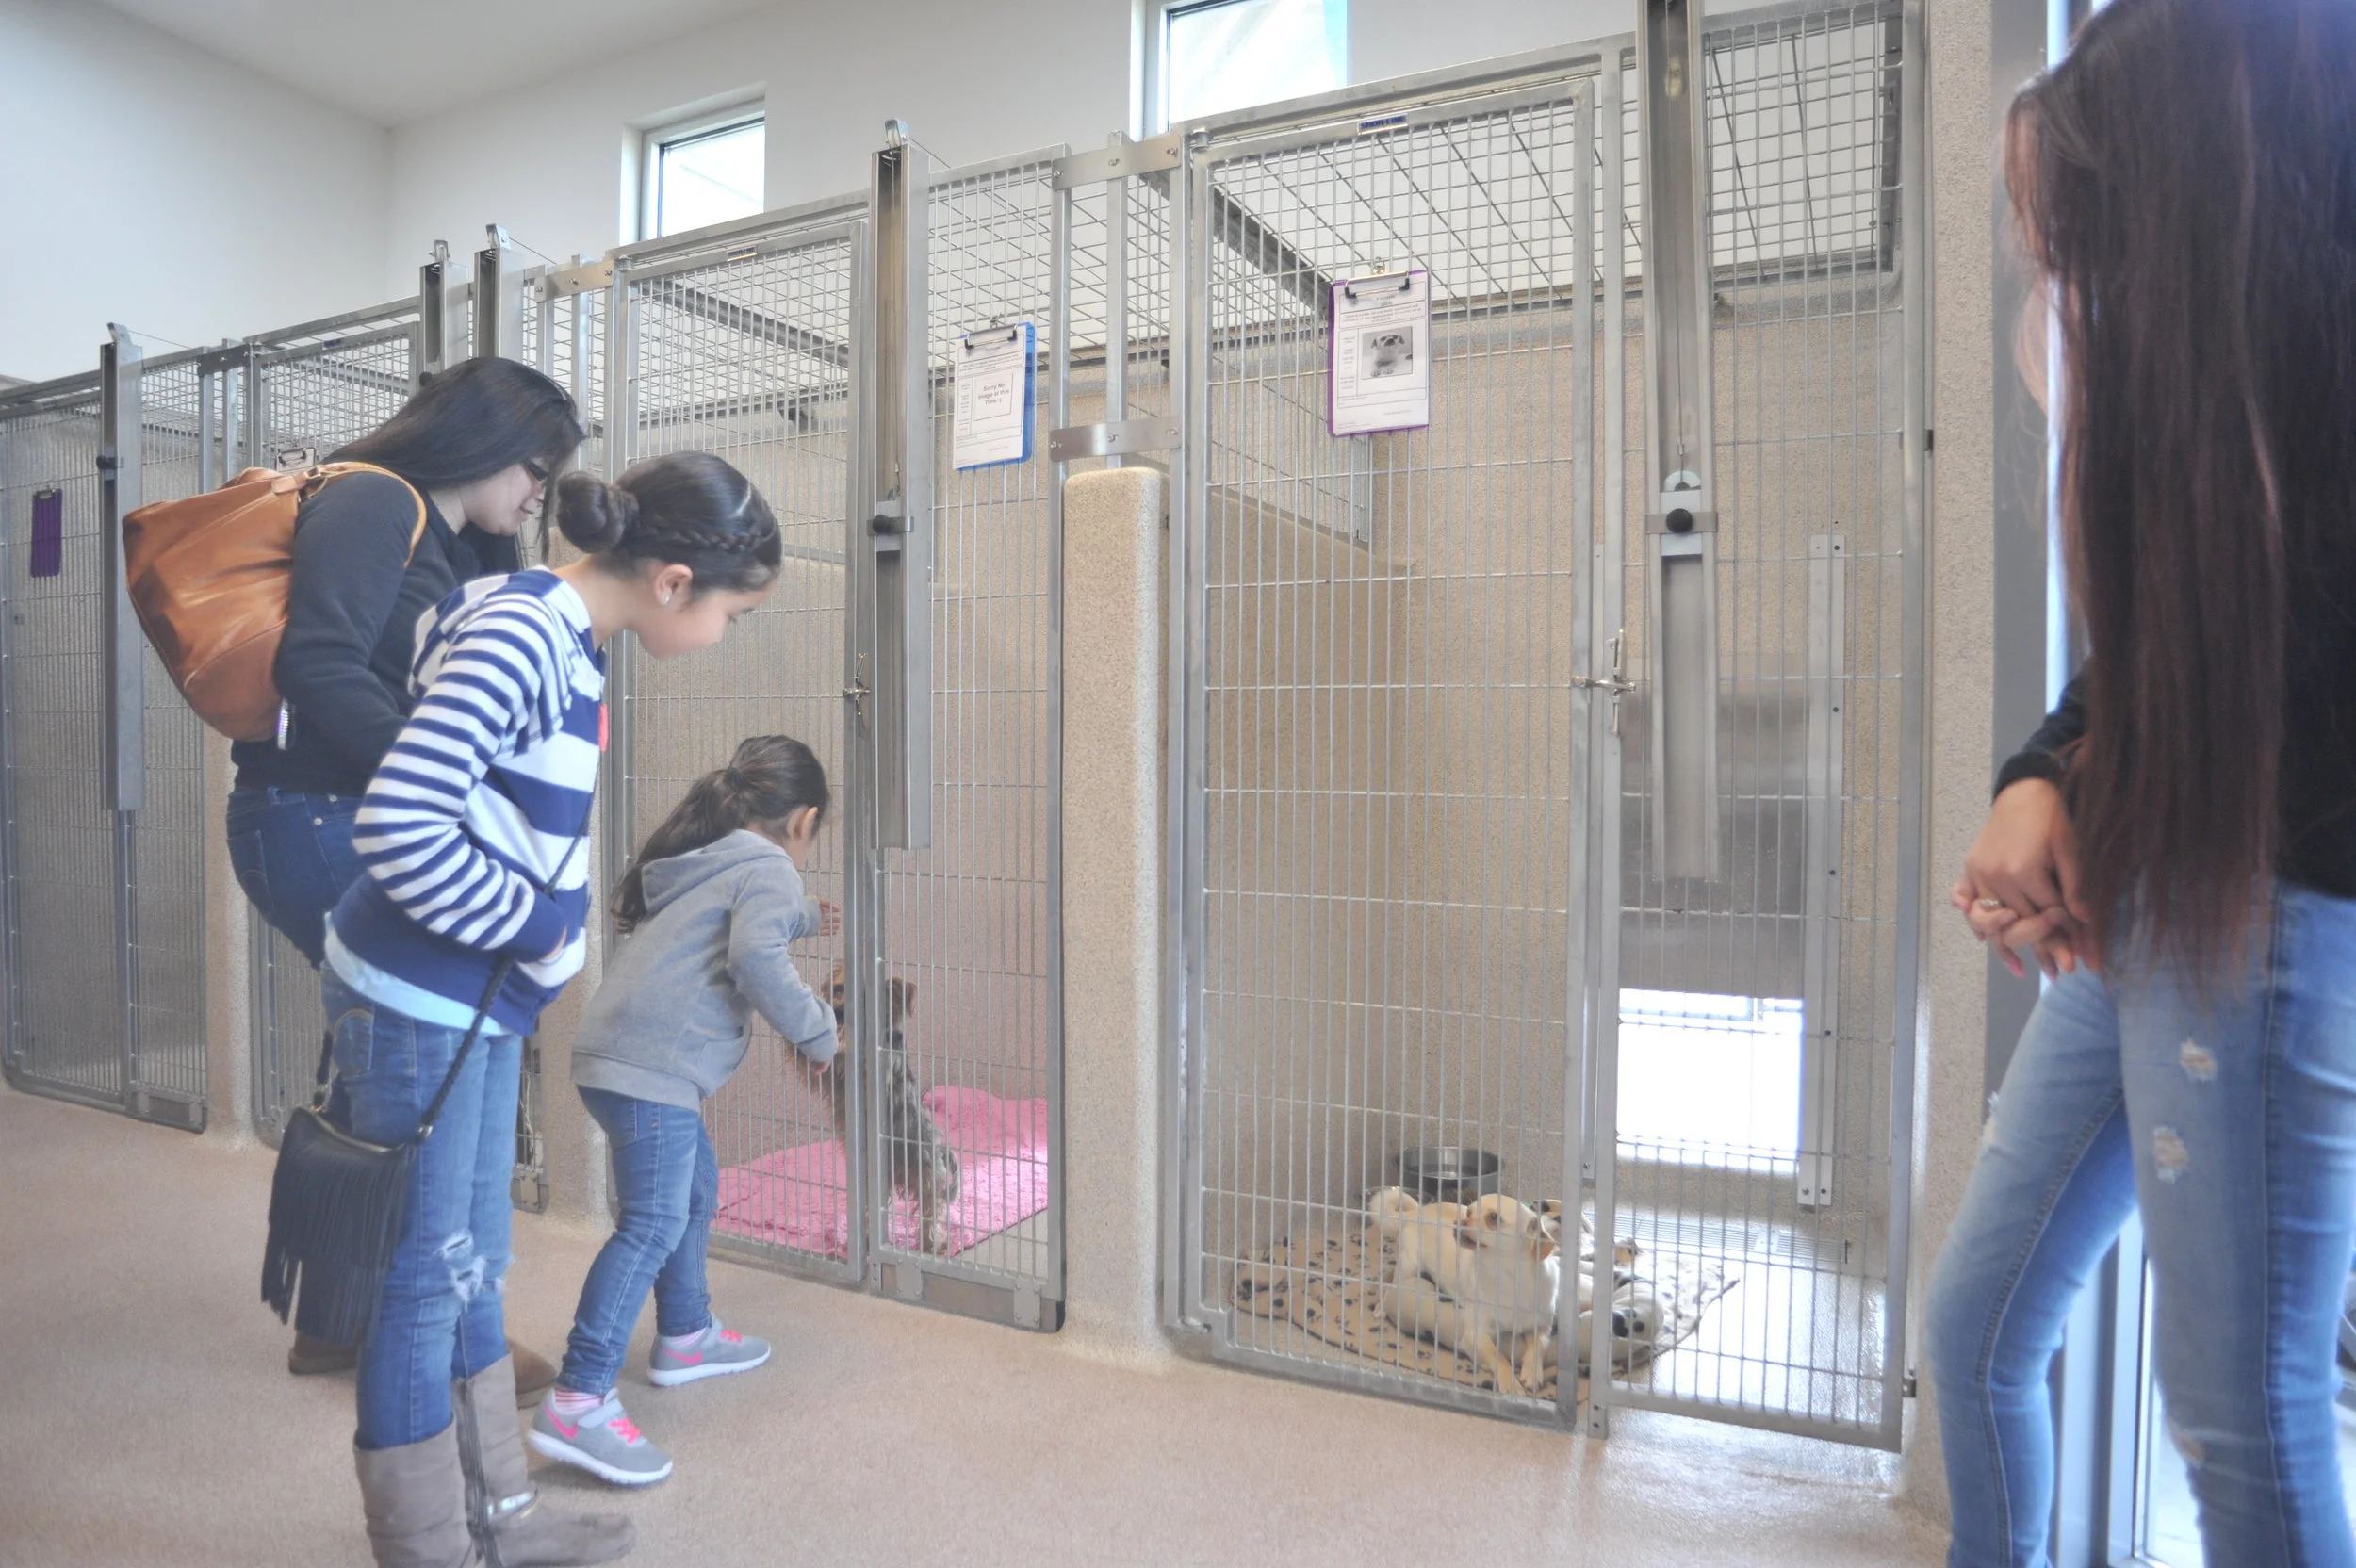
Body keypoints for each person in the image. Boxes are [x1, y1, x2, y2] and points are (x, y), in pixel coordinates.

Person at [1926, 1, 2356, 1562]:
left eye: (2082, 249)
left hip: (2264, 898)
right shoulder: (2219, 403)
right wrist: (2045, 779)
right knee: (1976, 1322)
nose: (2063, 294)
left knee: (2243, 1418)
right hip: (2169, 882)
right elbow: (2174, 645)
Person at [325, 453, 783, 1567]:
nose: (724, 633)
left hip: (472, 998)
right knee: (425, 1280)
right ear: (672, 581)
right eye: (732, 613)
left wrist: (533, 944)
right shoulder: (524, 630)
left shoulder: (551, 629)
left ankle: (493, 1516)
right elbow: (399, 824)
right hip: (419, 993)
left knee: (472, 1260)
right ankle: (429, 1547)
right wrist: (537, 927)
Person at [224, 356, 579, 1396]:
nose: (539, 495)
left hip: (346, 815)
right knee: (425, 1067)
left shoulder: (456, 541)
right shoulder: (376, 498)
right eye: (536, 468)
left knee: (375, 1075)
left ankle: (341, 1319)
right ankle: (447, 1334)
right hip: (320, 816)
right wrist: (439, 782)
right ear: (481, 439)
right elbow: (318, 664)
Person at [527, 735, 840, 1487]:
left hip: (614, 1055)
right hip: (654, 1069)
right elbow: (755, 957)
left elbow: (727, 919)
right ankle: (578, 1398)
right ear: (804, 821)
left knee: (694, 1187)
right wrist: (818, 1032)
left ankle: (687, 1332)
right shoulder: (770, 868)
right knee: (652, 1223)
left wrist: (803, 918)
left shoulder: (711, 861)